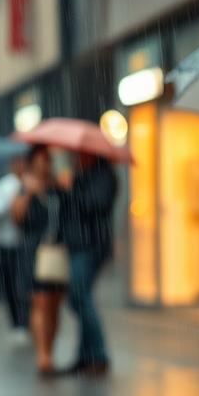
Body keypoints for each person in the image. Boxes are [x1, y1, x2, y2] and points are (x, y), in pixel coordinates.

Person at [59, 152, 118, 376]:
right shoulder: (81, 176)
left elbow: (93, 205)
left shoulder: (104, 176)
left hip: (92, 245)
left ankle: (98, 355)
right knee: (78, 298)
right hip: (77, 244)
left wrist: (71, 189)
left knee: (80, 295)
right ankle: (85, 356)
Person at [12, 145, 67, 377]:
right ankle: (42, 354)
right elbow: (16, 216)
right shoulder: (25, 186)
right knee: (39, 301)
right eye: (42, 159)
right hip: (33, 250)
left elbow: (69, 213)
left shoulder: (58, 186)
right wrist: (30, 193)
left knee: (54, 303)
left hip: (57, 250)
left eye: (49, 159)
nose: (47, 163)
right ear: (33, 161)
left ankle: (50, 351)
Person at [0, 155, 29, 339]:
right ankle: (17, 324)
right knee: (11, 286)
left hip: (26, 245)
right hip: (6, 244)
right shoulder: (3, 186)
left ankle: (26, 322)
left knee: (26, 286)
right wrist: (11, 202)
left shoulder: (31, 184)